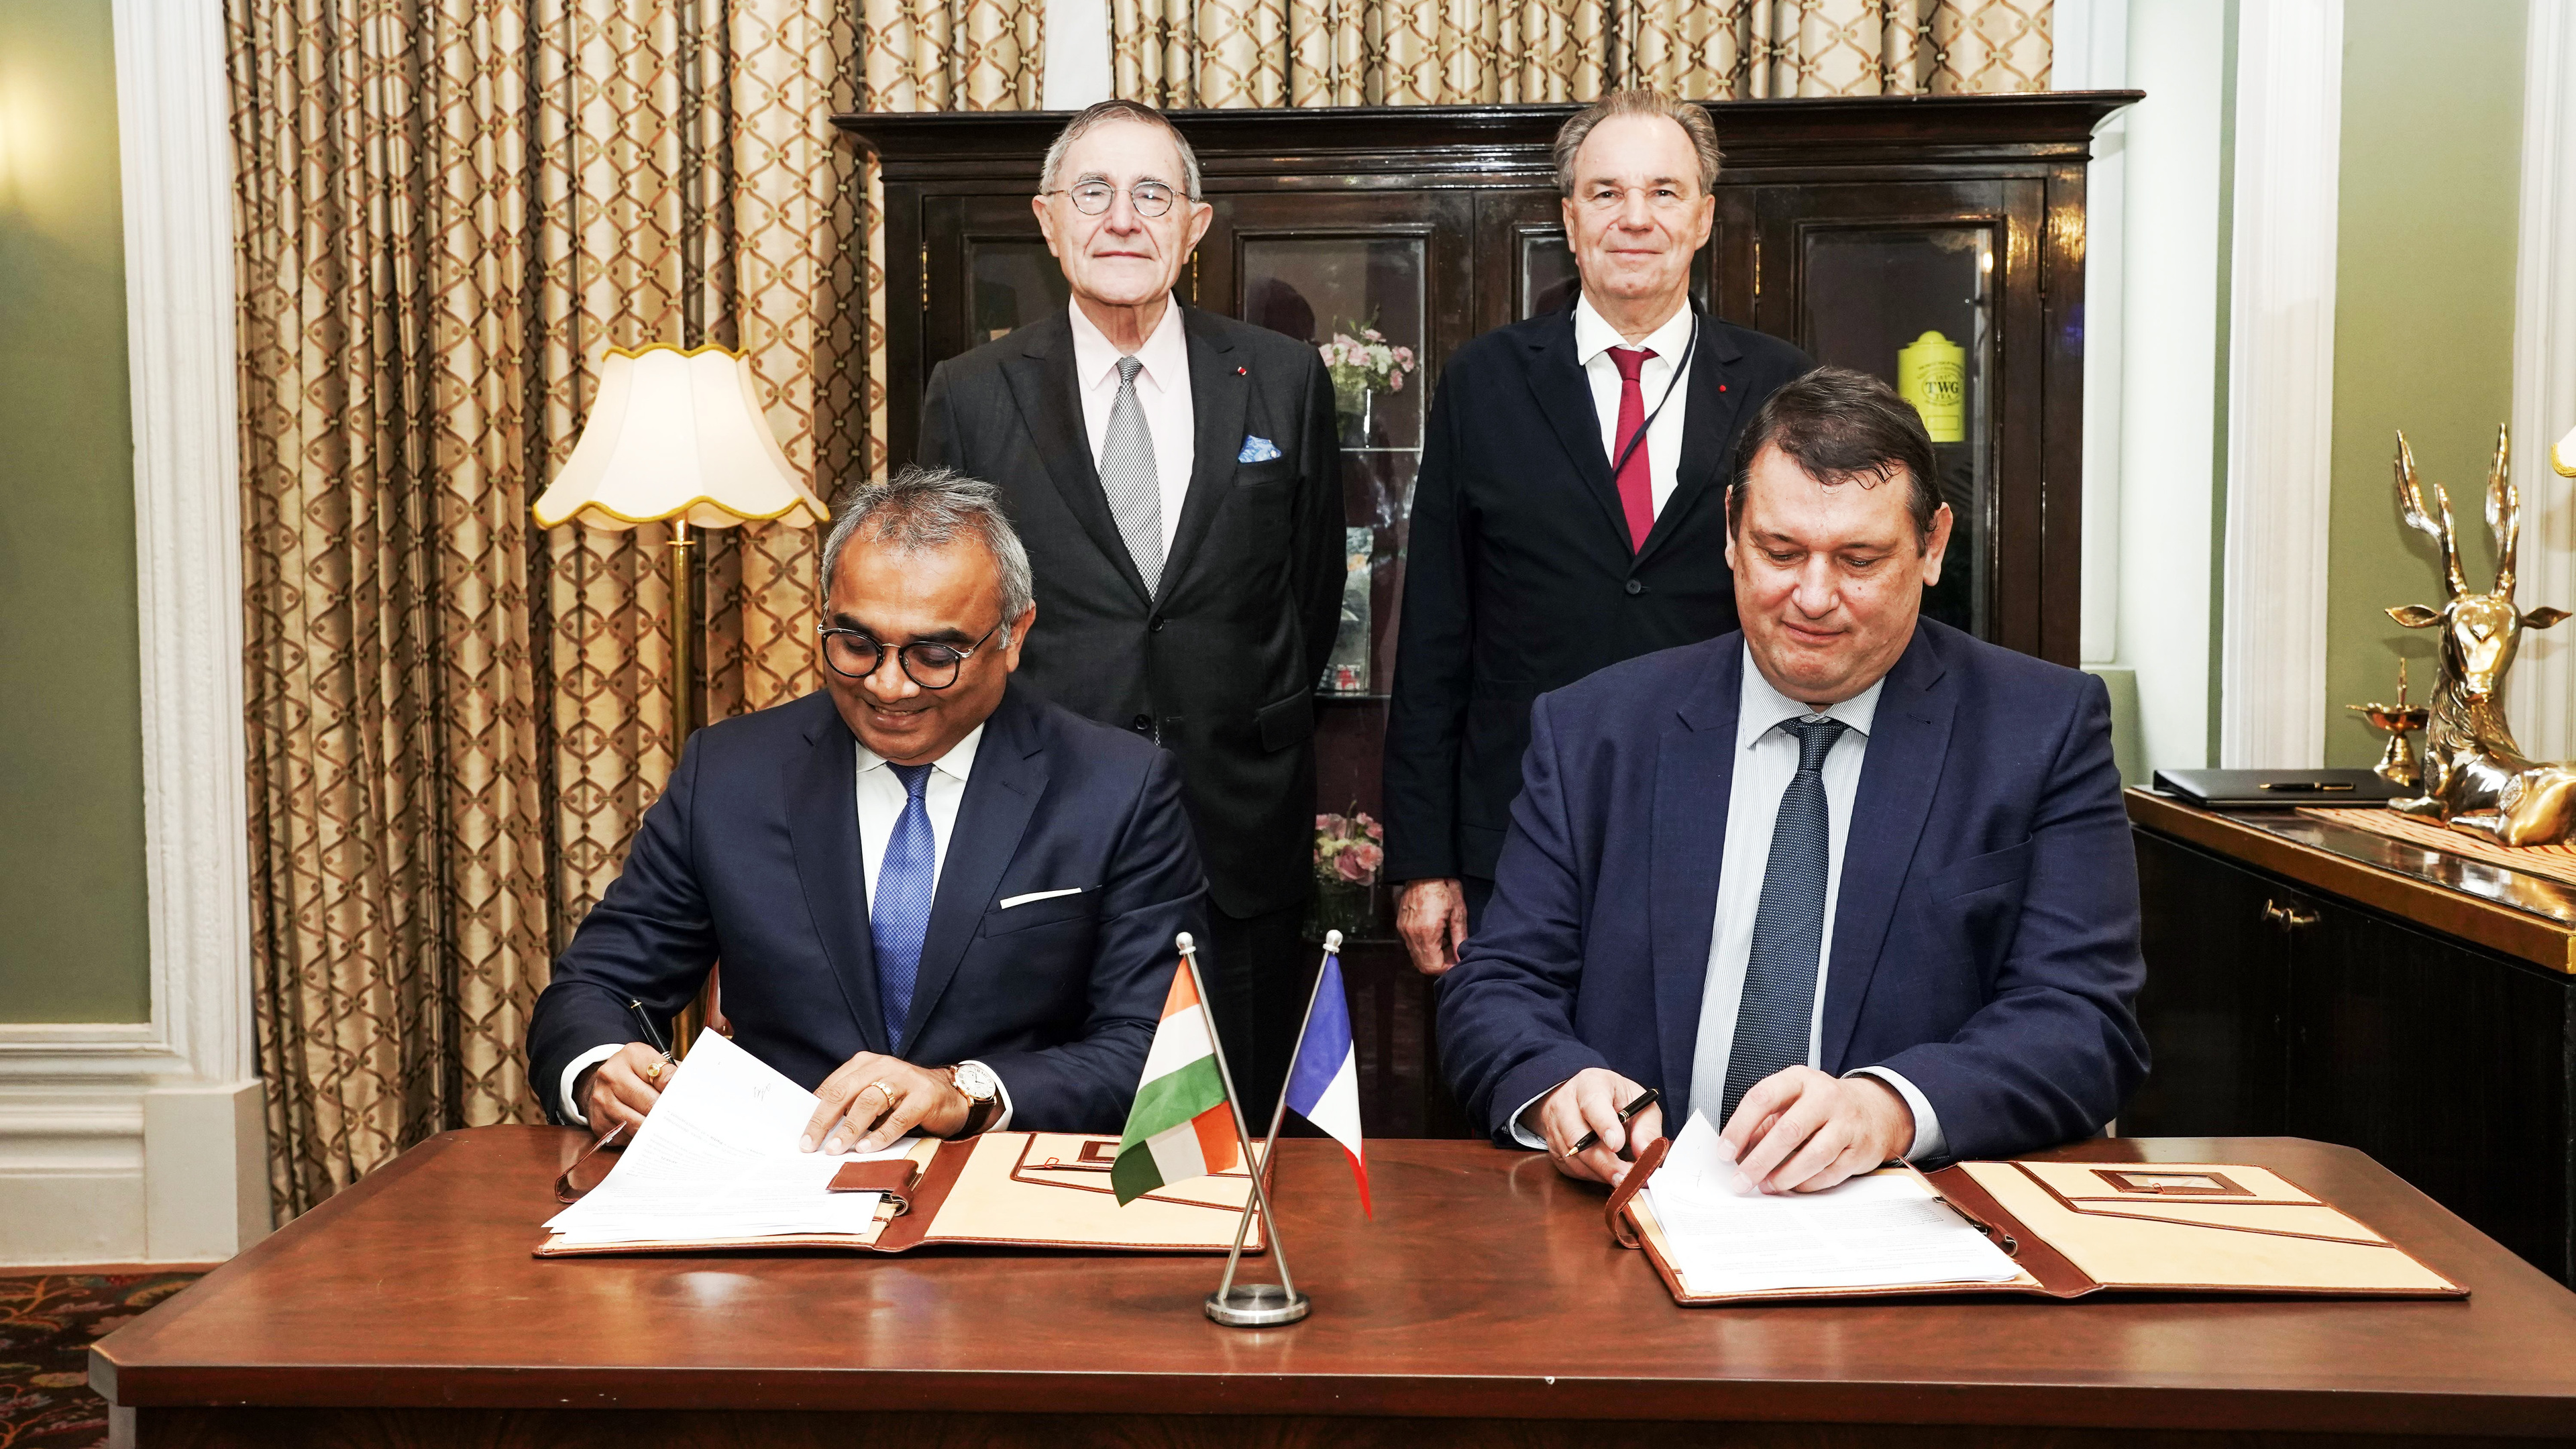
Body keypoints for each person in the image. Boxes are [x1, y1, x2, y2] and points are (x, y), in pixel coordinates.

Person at [1435, 368, 2149, 1193]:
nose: (1813, 597)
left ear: (1933, 546)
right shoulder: (1596, 730)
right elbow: (1499, 984)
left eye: (1859, 559)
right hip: (1638, 1222)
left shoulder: (2042, 729)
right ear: (1732, 532)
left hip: (1912, 1233)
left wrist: (1890, 1110)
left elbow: (2084, 1020)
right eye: (1781, 552)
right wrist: (1560, 1084)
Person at [527, 467, 1208, 1154]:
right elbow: (596, 986)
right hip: (776, 1192)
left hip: (1000, 1189)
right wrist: (597, 1070)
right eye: (856, 645)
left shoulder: (1118, 788)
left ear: (1013, 635)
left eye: (934, 654)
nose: (888, 685)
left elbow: (1156, 1052)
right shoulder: (730, 775)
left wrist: (965, 1091)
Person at [916, 99, 1342, 1116]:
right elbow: (943, 616)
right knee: (1054, 1127)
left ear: (1194, 228)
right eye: (1093, 193)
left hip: (1237, 839)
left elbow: (1311, 593)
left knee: (1234, 1141)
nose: (1122, 219)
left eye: (1152, 194)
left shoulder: (1280, 380)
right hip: (1043, 841)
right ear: (1048, 220)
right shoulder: (972, 393)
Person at [1384, 89, 1814, 977]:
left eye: (1664, 192)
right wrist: (1425, 861)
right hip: (1521, 827)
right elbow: (1433, 636)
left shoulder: (1782, 386)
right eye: (1607, 192)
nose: (1635, 218)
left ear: (1702, 219)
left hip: (1731, 811)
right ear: (1570, 217)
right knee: (1521, 1090)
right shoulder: (1488, 380)